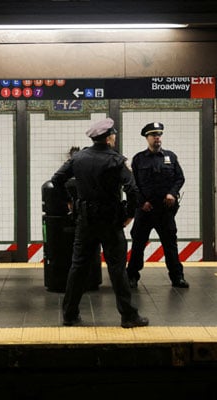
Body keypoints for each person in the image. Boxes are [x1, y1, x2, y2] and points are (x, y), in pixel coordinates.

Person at [51, 117, 148, 329]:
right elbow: (132, 190)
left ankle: (69, 314)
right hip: (110, 221)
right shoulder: (116, 160)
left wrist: (70, 201)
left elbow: (56, 179)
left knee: (78, 267)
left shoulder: (78, 158)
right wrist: (129, 214)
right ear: (110, 137)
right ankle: (128, 316)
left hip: (85, 221)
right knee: (117, 268)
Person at [126, 122, 189, 289]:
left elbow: (179, 178)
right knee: (138, 244)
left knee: (170, 244)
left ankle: (177, 277)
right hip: (145, 210)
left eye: (159, 135)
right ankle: (132, 277)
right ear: (147, 138)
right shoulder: (139, 159)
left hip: (164, 211)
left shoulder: (171, 157)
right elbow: (133, 184)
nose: (157, 138)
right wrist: (141, 202)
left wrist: (172, 193)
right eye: (153, 135)